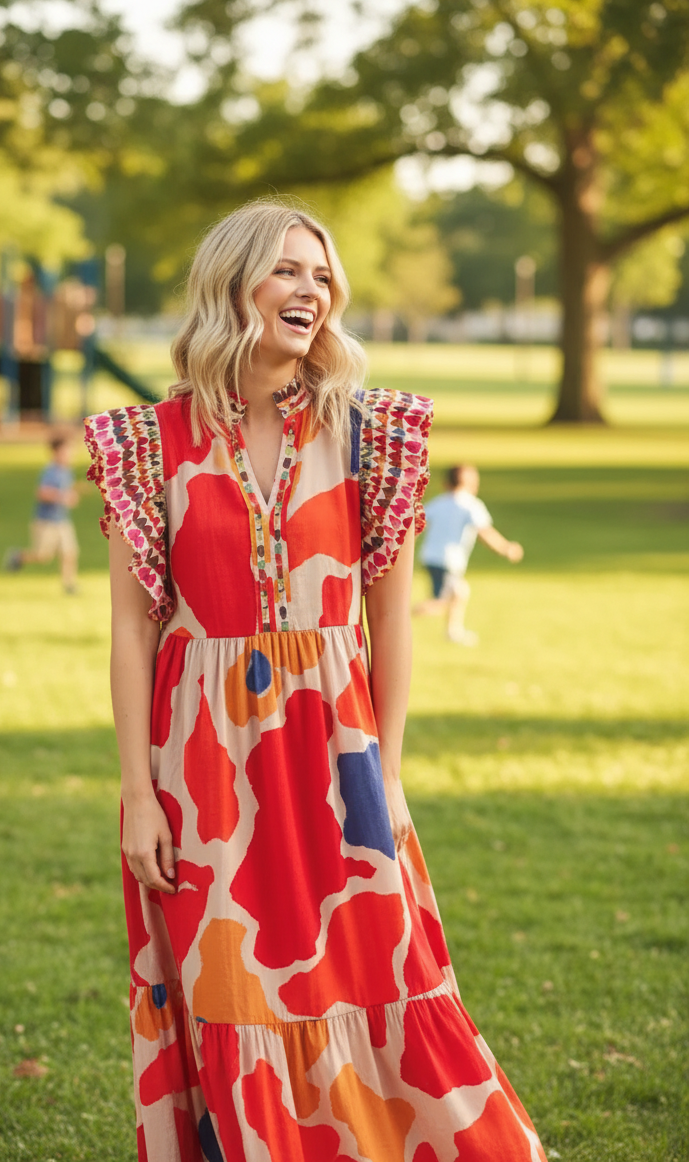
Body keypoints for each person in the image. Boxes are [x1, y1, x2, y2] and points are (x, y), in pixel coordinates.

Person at [84, 201, 547, 1162]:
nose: (312, 290)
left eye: (322, 275)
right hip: (203, 765)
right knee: (231, 992)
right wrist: (138, 793)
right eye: (288, 270)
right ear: (234, 282)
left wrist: (391, 769)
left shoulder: (371, 434)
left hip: (342, 755)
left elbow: (388, 616)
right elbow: (133, 627)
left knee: (381, 971)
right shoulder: (150, 442)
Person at [414, 464, 524, 646]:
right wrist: (506, 548)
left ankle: (452, 631)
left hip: (431, 557)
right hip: (448, 560)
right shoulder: (471, 505)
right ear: (473, 484)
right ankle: (405, 616)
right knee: (446, 599)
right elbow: (485, 532)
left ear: (446, 483)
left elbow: (417, 523)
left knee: (456, 594)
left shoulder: (438, 502)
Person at [4, 434, 80, 593]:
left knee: (69, 552)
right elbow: (42, 493)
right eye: (65, 451)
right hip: (46, 521)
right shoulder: (50, 472)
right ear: (55, 452)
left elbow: (65, 493)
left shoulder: (67, 471)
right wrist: (62, 497)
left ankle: (69, 585)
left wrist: (70, 496)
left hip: (62, 520)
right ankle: (17, 557)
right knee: (42, 556)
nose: (68, 455)